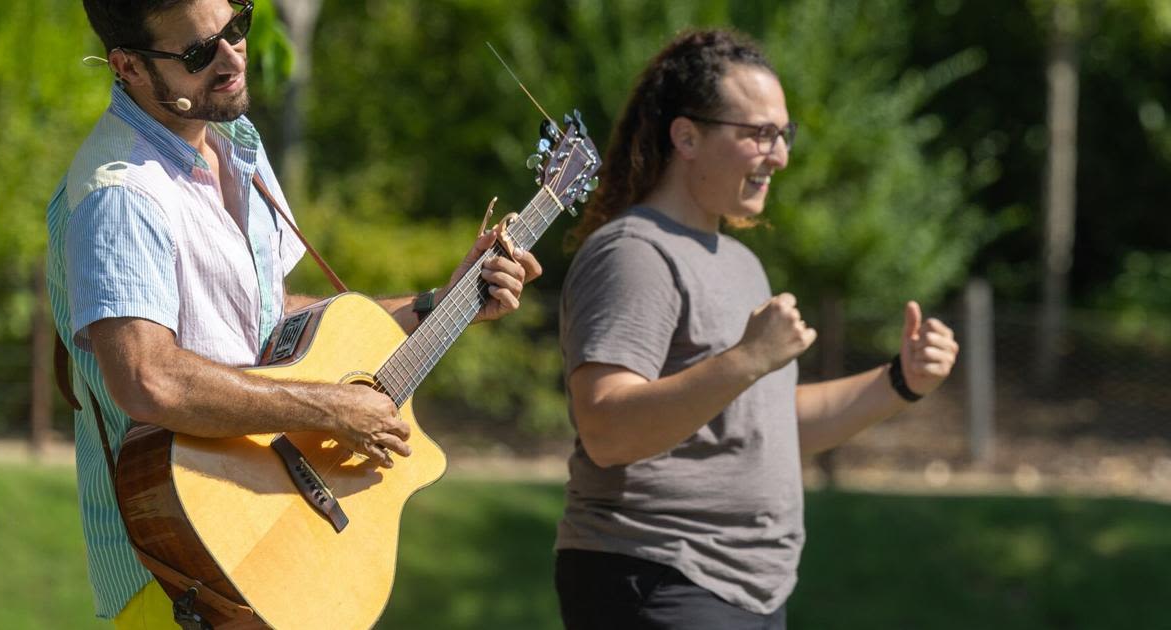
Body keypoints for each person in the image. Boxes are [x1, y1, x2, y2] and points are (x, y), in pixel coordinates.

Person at [47, 0, 541, 626]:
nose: (231, 58)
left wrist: (439, 306)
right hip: (180, 574)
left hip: (271, 539)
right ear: (130, 68)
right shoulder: (121, 193)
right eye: (199, 52)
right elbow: (148, 378)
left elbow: (265, 315)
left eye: (238, 28)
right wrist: (332, 408)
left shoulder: (234, 144)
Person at [554, 28, 959, 629]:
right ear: (686, 136)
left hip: (746, 590)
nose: (781, 155)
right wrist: (746, 358)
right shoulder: (635, 254)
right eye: (760, 134)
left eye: (783, 133)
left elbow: (767, 427)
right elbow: (608, 427)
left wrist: (901, 380)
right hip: (657, 576)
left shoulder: (738, 260)